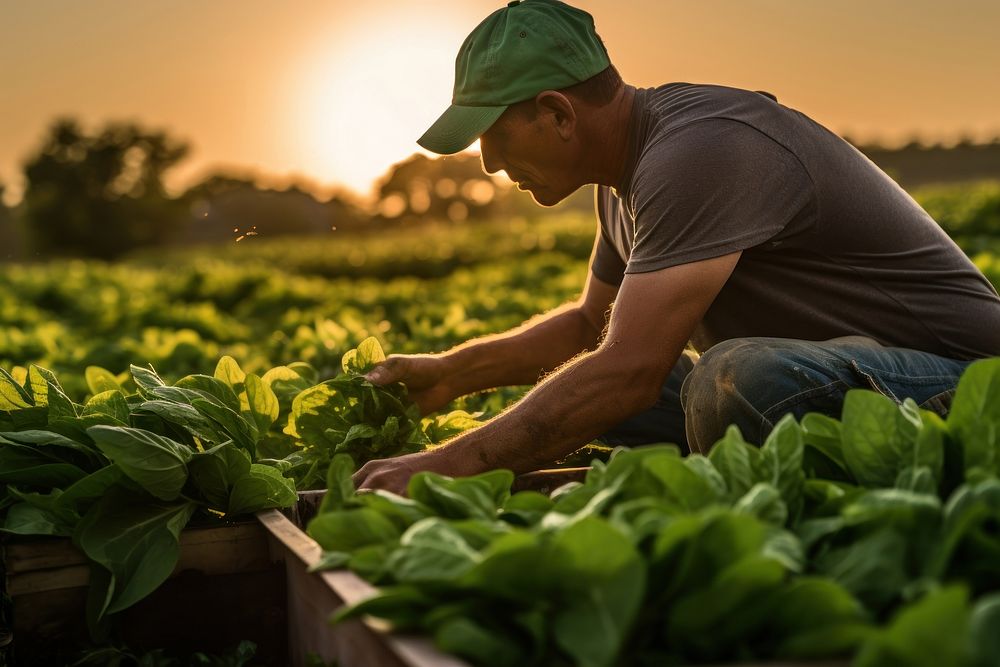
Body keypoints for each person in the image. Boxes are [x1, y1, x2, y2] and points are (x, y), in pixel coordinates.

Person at [353, 0, 1000, 494]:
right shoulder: (621, 181)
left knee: (733, 379)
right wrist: (450, 375)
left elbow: (629, 368)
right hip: (849, 369)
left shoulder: (698, 149)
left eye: (493, 136)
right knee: (598, 394)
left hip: (968, 376)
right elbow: (588, 328)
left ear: (558, 113)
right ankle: (727, 464)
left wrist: (444, 467)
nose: (490, 164)